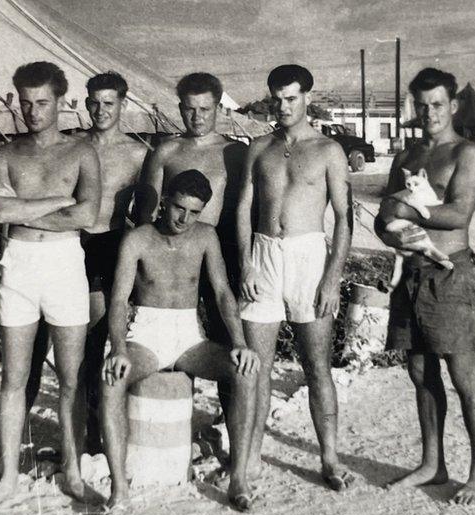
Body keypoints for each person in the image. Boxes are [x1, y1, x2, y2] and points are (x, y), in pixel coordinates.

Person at [97, 170, 260, 515]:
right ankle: (119, 490)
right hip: (146, 334)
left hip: (188, 335)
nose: (184, 219)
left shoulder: (205, 237)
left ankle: (239, 479)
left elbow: (221, 293)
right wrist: (118, 348)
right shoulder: (138, 239)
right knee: (111, 379)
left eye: (194, 212)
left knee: (244, 373)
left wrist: (239, 343)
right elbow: (119, 300)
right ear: (165, 201)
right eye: (178, 208)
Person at [0, 61, 102, 506]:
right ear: (16, 101)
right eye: (26, 103)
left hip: (66, 264)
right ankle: (9, 476)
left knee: (71, 377)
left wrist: (24, 206)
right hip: (20, 265)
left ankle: (72, 472)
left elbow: (87, 216)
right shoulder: (5, 155)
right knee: (14, 378)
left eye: (43, 103)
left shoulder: (82, 152)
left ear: (62, 102)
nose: (33, 112)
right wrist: (60, 200)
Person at [376, 67, 475, 504]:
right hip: (412, 272)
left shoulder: (466, 153)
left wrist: (408, 212)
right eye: (421, 105)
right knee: (420, 371)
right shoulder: (405, 158)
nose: (429, 113)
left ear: (453, 105)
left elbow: (459, 214)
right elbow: (383, 219)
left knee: (463, 375)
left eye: (437, 104)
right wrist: (391, 230)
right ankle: (432, 463)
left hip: (449, 274)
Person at [237, 64, 353, 490]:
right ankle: (249, 458)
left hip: (309, 258)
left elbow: (344, 217)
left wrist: (331, 277)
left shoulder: (328, 150)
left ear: (307, 96)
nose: (283, 106)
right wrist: (247, 262)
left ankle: (330, 458)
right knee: (256, 368)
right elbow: (242, 209)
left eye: (291, 98)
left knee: (316, 365)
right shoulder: (258, 147)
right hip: (264, 255)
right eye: (276, 98)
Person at [138, 72, 247, 345]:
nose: (197, 117)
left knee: (225, 336)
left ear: (219, 108)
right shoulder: (166, 150)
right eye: (189, 109)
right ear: (180, 109)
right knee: (171, 336)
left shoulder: (234, 153)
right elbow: (146, 212)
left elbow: (244, 212)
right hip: (171, 253)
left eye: (205, 109)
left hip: (218, 254)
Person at [77, 71, 148, 452]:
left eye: (109, 103)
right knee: (80, 339)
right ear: (85, 102)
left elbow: (149, 212)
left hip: (113, 243)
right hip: (75, 242)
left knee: (103, 335)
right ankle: (87, 424)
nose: (100, 110)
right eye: (94, 102)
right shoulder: (73, 146)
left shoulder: (137, 154)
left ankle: (103, 424)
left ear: (123, 104)